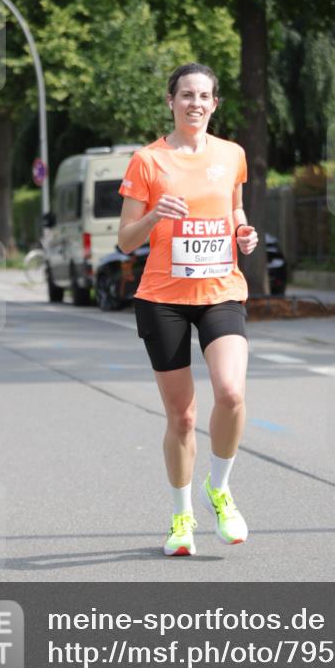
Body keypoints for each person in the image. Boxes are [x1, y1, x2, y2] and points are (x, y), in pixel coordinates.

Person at [118, 63, 258, 556]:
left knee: (232, 393)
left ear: (215, 104)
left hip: (221, 290)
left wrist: (243, 232)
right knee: (181, 417)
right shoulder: (147, 161)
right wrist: (156, 214)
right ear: (170, 101)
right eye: (185, 95)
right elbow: (124, 240)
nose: (195, 103)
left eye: (204, 96)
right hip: (163, 300)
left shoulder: (232, 154)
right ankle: (181, 518)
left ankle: (218, 489)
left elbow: (234, 207)